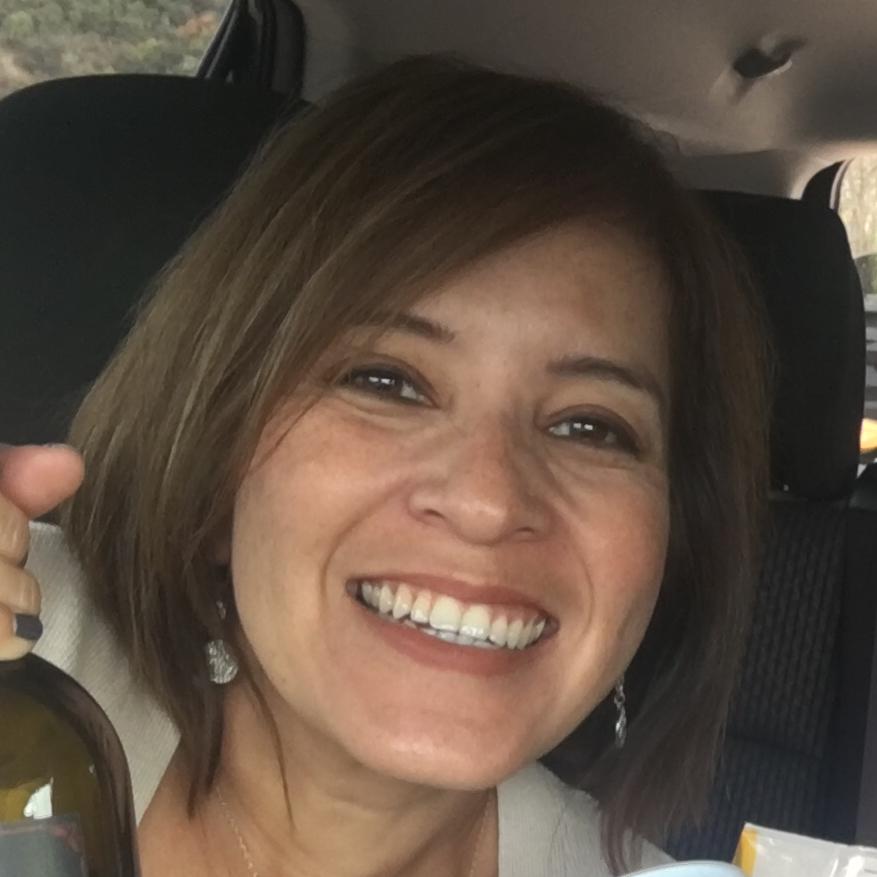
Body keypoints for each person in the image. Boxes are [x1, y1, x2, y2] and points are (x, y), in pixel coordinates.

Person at [0, 55, 770, 876]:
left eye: (589, 426)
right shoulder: (25, 657)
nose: (486, 500)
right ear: (217, 457)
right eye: (385, 382)